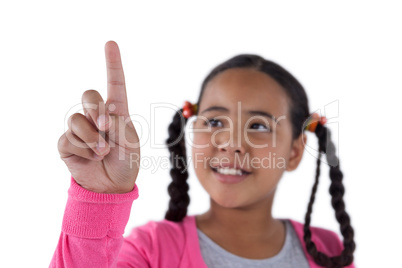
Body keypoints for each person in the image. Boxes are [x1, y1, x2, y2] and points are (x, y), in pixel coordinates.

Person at [50, 41, 356, 268]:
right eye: (214, 121)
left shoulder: (328, 250)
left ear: (294, 151)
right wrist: (98, 199)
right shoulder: (152, 251)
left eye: (259, 125)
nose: (230, 142)